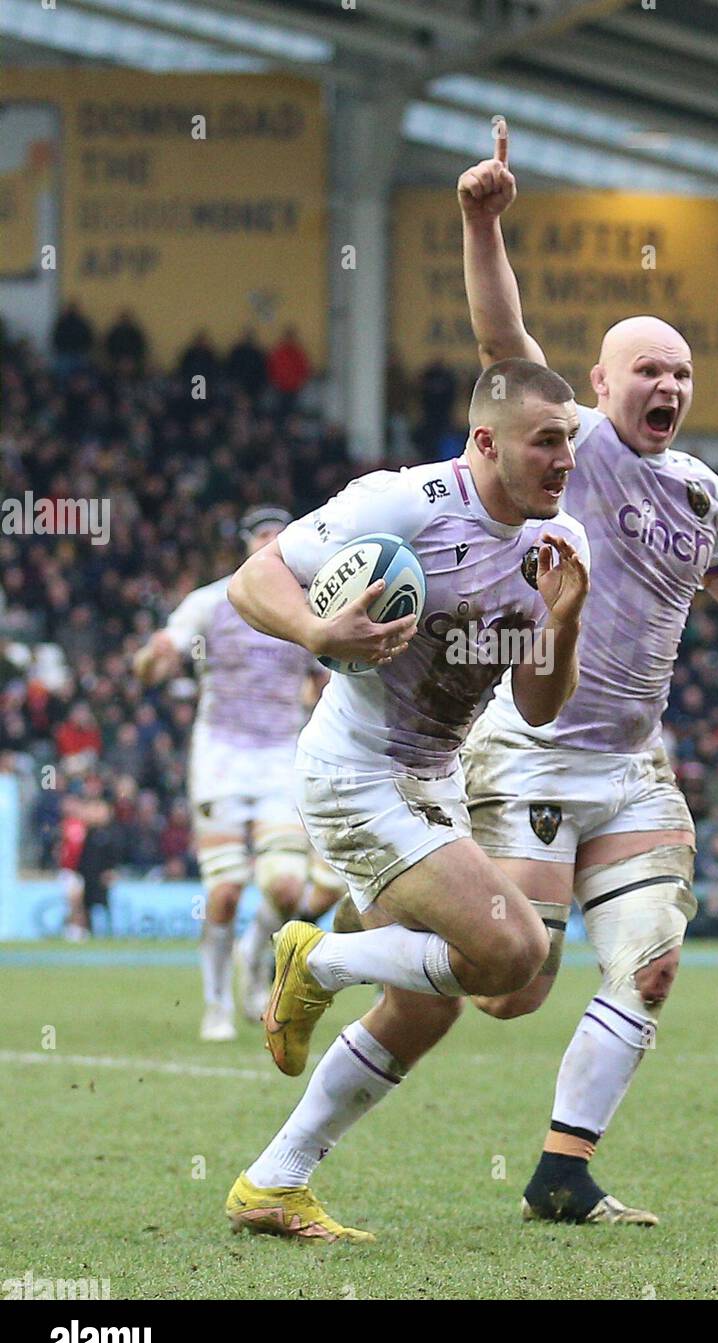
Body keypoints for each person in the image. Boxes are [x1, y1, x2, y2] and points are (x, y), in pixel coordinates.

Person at [450, 120, 718, 1224]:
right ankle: (341, 955)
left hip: (632, 764)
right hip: (531, 742)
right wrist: (481, 220)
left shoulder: (698, 493)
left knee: (648, 963)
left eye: (681, 371)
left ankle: (560, 1169)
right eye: (648, 367)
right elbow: (502, 339)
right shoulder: (573, 445)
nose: (668, 383)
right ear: (600, 382)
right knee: (512, 982)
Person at [223, 357, 589, 1243]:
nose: (565, 461)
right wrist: (315, 626)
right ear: (486, 442)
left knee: (432, 1002)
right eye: (547, 442)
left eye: (570, 442)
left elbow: (540, 705)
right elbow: (252, 581)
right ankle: (319, 964)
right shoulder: (403, 504)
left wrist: (564, 618)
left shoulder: (558, 542)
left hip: (434, 779)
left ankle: (274, 1183)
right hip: (355, 775)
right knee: (511, 952)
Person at [133, 506, 346, 1041]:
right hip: (222, 757)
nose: (272, 542)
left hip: (280, 756)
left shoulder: (309, 610)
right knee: (225, 891)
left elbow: (327, 680)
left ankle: (254, 959)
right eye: (264, 535)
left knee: (286, 887)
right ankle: (215, 1004)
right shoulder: (212, 601)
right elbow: (157, 660)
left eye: (281, 535)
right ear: (249, 545)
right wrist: (152, 659)